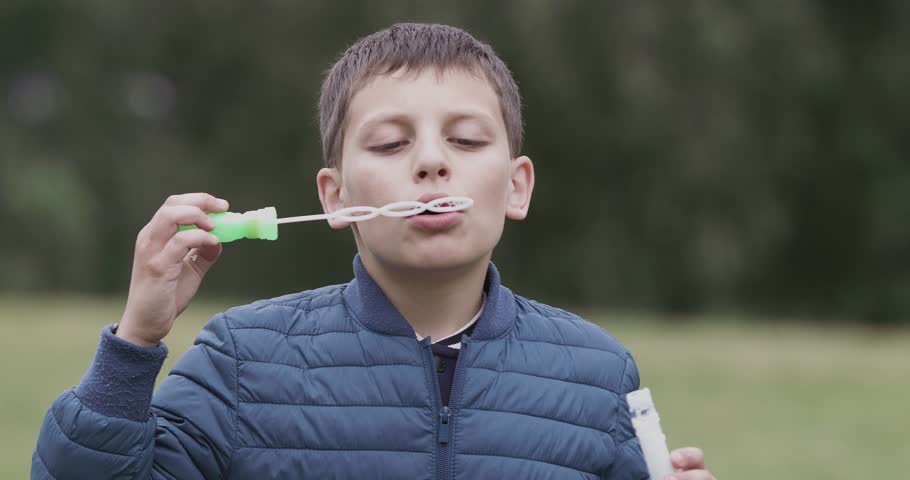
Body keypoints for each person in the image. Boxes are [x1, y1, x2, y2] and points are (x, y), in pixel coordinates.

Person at [32, 23, 716, 480]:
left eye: (467, 141)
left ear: (516, 187)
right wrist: (135, 340)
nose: (430, 163)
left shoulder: (596, 375)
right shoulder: (242, 362)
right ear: (333, 197)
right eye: (391, 143)